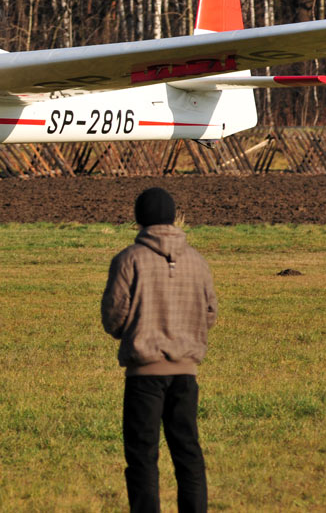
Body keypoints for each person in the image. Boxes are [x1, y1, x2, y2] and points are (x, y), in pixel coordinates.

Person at [101, 187, 217, 513]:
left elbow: (114, 317)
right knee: (188, 453)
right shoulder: (197, 261)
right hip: (185, 373)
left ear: (139, 219)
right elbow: (210, 313)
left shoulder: (128, 260)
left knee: (142, 456)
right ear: (173, 216)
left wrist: (135, 329)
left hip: (143, 374)